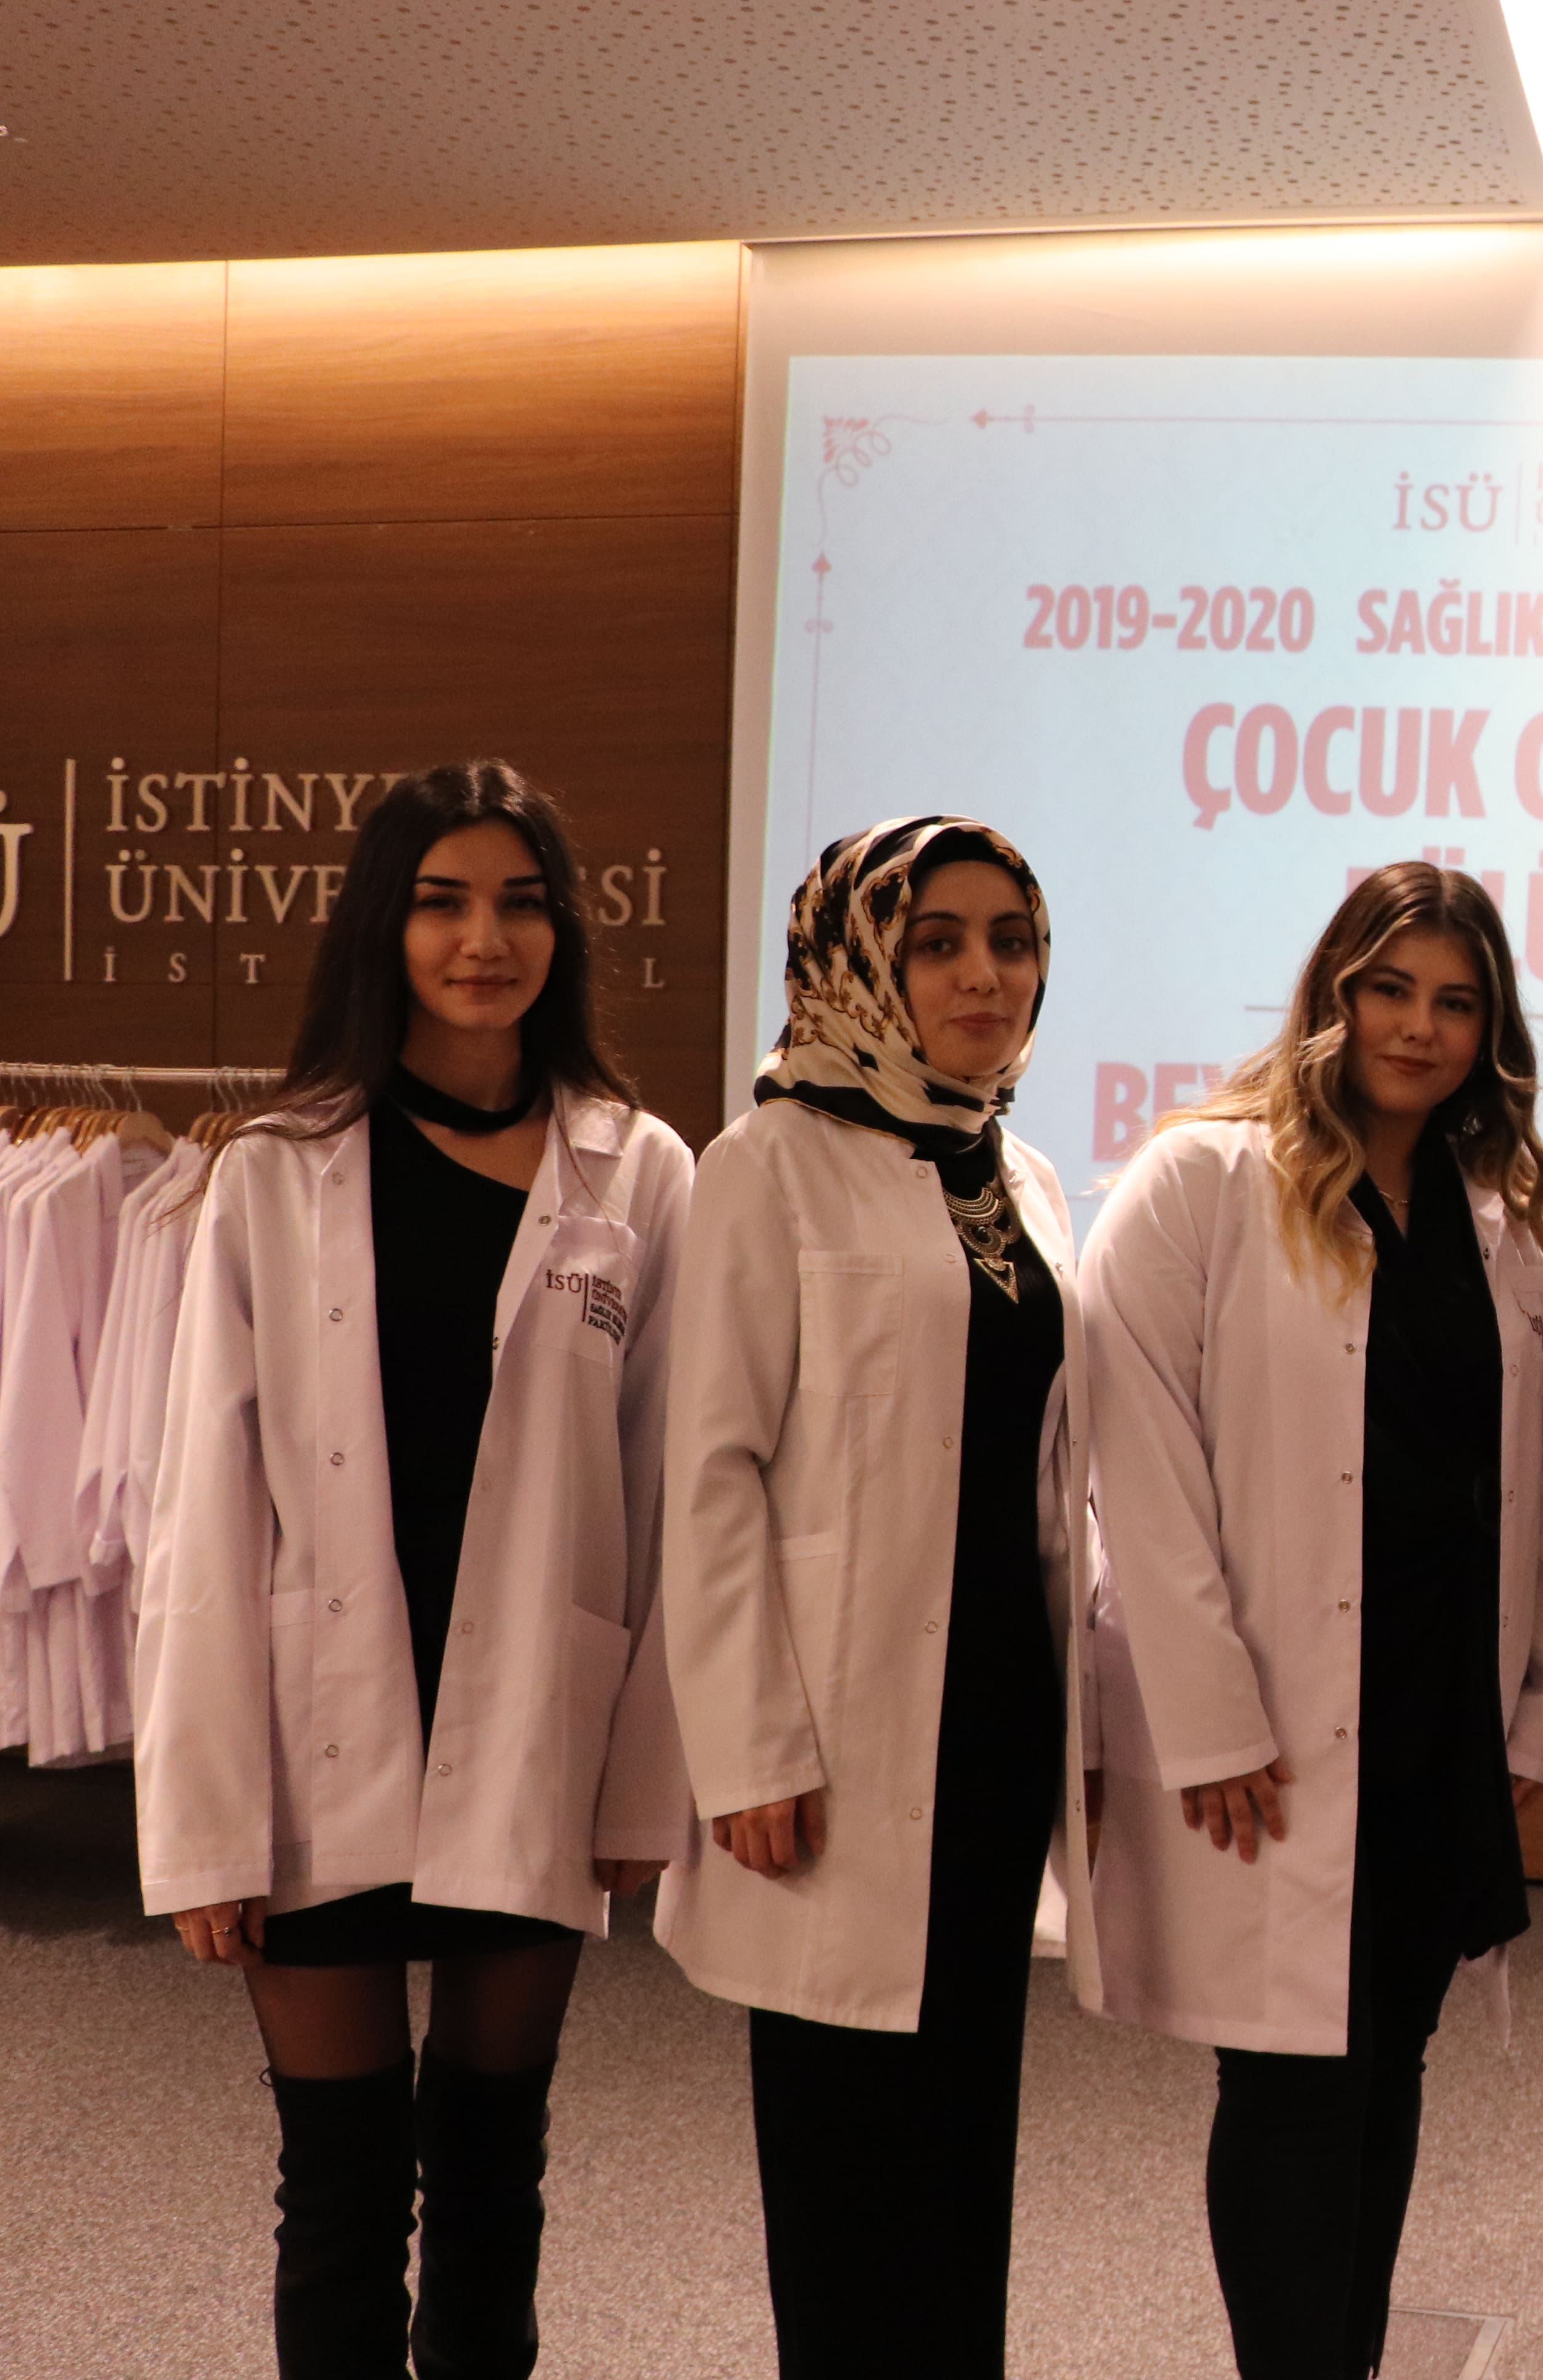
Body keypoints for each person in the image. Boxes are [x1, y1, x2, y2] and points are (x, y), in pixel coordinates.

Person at [138, 759, 692, 2380]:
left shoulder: (639, 1168)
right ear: (384, 925)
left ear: (563, 932)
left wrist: (643, 1779)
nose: (483, 940)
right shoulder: (276, 1167)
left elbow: (665, 1493)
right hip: (320, 1729)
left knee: (495, 2160)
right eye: (443, 902)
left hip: (535, 1724)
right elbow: (205, 1501)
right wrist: (204, 1818)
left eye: (521, 903)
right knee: (340, 2178)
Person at [1080, 861, 1543, 2380]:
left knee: (1388, 2062)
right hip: (1278, 1715)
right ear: (1333, 993)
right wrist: (1207, 1715)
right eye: (1390, 989)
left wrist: (1534, 1709)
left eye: (1456, 1002)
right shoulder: (1201, 1177)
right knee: (1294, 2080)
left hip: (1438, 1710)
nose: (1419, 1027)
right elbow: (1137, 1462)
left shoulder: (1502, 1217)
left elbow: (1540, 1488)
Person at [655, 817, 1102, 2380]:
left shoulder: (1019, 1171)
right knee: (851, 2163)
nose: (985, 974)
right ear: (856, 962)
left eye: (1011, 940)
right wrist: (747, 1749)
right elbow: (710, 1472)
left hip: (997, 1720)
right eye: (937, 941)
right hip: (837, 1734)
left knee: (965, 2140)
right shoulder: (766, 1162)